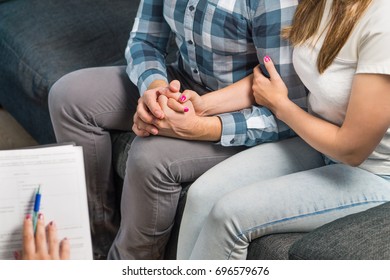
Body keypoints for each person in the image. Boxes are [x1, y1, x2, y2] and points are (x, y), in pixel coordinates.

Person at [48, 0, 306, 259]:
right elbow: (145, 41)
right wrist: (156, 91)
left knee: (150, 156)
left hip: (242, 109)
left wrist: (201, 125)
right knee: (68, 97)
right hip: (182, 84)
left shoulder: (273, 4)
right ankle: (95, 250)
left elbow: (290, 111)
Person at [176, 0, 390, 259]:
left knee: (229, 215)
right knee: (201, 195)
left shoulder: (383, 20)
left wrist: (281, 106)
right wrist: (203, 106)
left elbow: (352, 150)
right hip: (318, 143)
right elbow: (270, 78)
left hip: (375, 172)